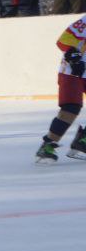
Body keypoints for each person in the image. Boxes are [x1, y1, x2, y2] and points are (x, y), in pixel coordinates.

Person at [35, 15, 86, 163]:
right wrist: (74, 57)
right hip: (72, 70)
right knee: (71, 108)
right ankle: (48, 145)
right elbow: (63, 40)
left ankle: (82, 141)